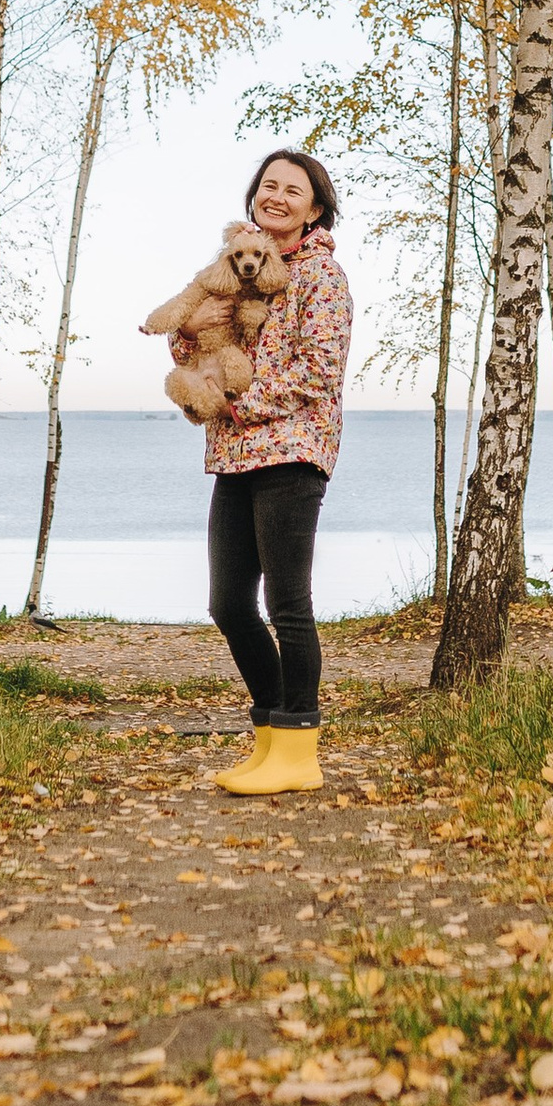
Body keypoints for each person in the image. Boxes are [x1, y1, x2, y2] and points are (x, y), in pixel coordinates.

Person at [186, 146, 350, 797]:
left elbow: (319, 372)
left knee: (288, 606)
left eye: (294, 190)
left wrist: (236, 403)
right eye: (268, 186)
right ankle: (273, 739)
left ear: (314, 208)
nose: (276, 196)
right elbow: (206, 343)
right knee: (227, 602)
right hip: (235, 454)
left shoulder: (321, 279)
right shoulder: (240, 269)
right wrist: (190, 336)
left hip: (293, 450)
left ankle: (299, 749)